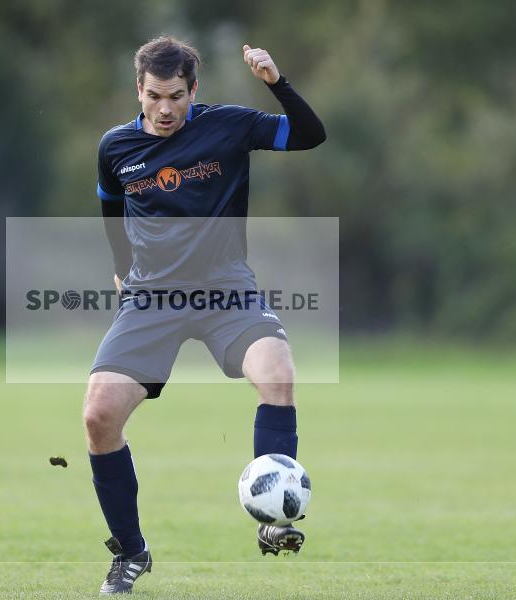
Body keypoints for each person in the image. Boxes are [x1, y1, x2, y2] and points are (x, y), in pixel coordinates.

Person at [86, 35, 326, 594]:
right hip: (152, 297)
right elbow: (109, 207)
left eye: (175, 96)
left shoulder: (230, 125)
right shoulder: (115, 146)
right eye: (153, 97)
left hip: (225, 288)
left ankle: (273, 520)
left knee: (278, 374)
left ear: (194, 89)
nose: (164, 109)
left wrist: (276, 83)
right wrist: (122, 269)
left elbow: (311, 135)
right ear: (138, 91)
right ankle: (131, 551)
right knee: (99, 416)